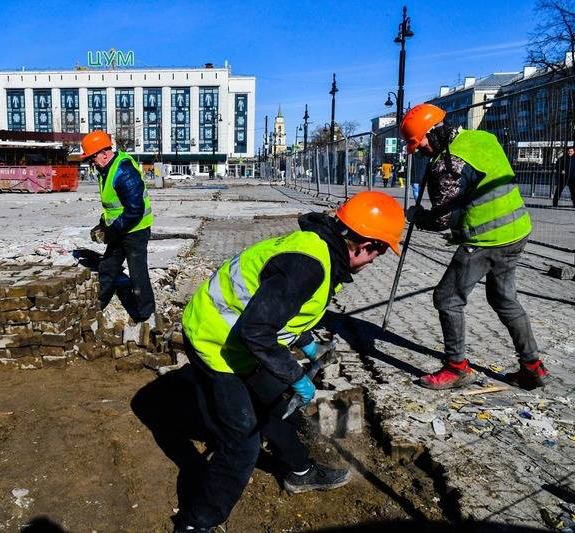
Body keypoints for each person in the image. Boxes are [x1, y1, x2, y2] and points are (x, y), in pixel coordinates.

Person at [175, 191, 406, 532]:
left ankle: (300, 471)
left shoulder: (321, 249)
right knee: (242, 444)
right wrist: (296, 375)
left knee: (273, 402)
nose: (376, 259)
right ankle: (197, 523)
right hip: (216, 344)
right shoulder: (309, 265)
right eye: (379, 250)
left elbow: (282, 309)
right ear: (360, 243)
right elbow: (257, 330)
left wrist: (308, 344)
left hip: (240, 340)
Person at [400, 103, 550, 390]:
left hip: (486, 240)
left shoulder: (449, 164)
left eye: (419, 145)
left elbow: (442, 218)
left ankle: (457, 368)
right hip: (517, 231)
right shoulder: (482, 138)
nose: (420, 151)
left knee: (447, 298)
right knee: (504, 299)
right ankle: (533, 367)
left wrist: (416, 216)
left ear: (433, 134)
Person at [81, 130, 155, 323]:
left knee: (137, 273)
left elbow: (135, 209)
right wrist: (102, 225)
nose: (91, 163)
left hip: (135, 231)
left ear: (104, 153)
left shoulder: (124, 171)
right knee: (107, 267)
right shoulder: (105, 170)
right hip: (120, 229)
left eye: (92, 158)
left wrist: (112, 231)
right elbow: (113, 206)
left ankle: (146, 316)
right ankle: (97, 306)